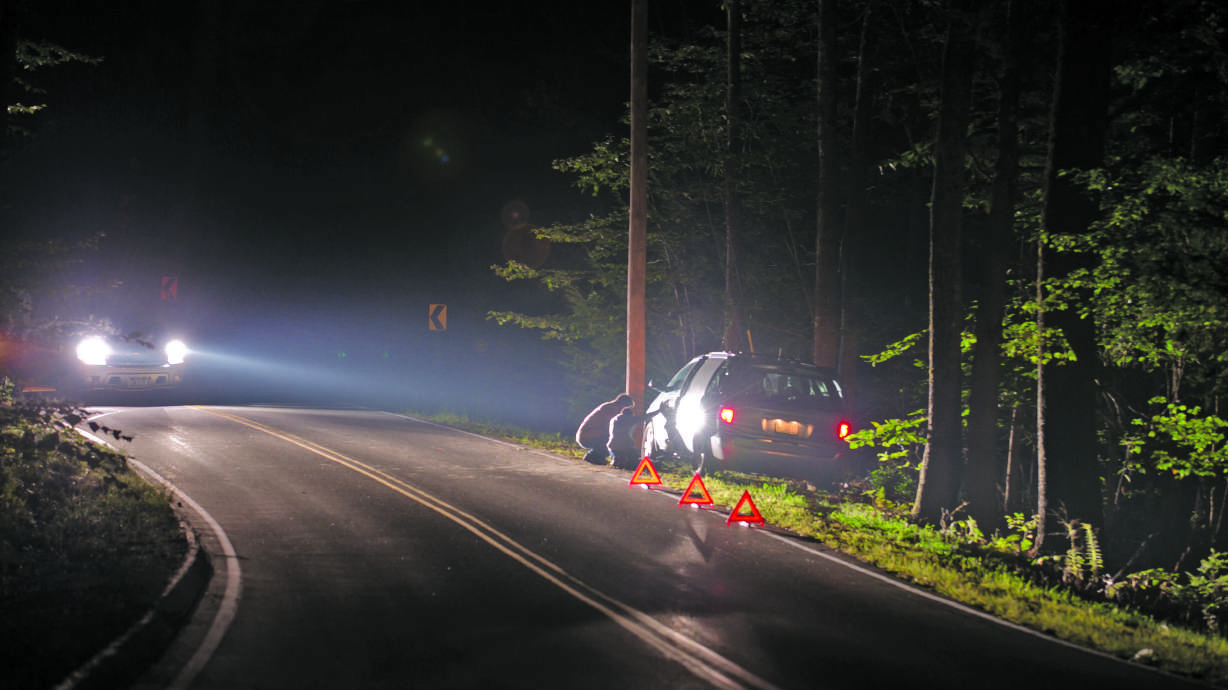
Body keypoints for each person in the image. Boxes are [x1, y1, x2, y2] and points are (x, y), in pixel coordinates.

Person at [575, 393, 632, 465]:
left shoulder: (610, 407)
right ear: (622, 404)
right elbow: (610, 427)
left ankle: (597, 456)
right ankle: (593, 456)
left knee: (614, 439)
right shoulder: (611, 409)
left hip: (588, 435)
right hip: (586, 437)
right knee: (612, 440)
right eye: (627, 406)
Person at [607, 403, 650, 470]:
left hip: (612, 446)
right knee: (635, 458)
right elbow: (644, 417)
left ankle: (617, 458)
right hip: (625, 446)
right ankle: (623, 460)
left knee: (617, 453)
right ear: (630, 415)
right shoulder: (629, 419)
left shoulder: (614, 419)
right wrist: (659, 411)